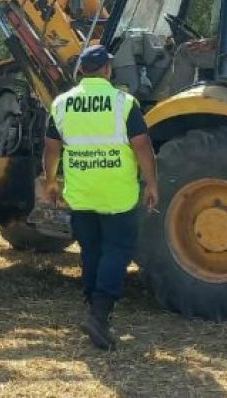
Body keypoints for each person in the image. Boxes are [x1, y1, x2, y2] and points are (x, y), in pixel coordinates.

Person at [42, 45, 159, 351]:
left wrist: (51, 182)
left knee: (91, 250)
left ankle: (91, 305)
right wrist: (151, 183)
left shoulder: (62, 104)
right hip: (117, 195)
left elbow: (51, 149)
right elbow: (142, 146)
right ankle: (99, 314)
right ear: (108, 70)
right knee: (116, 251)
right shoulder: (124, 103)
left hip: (81, 195)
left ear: (80, 70)